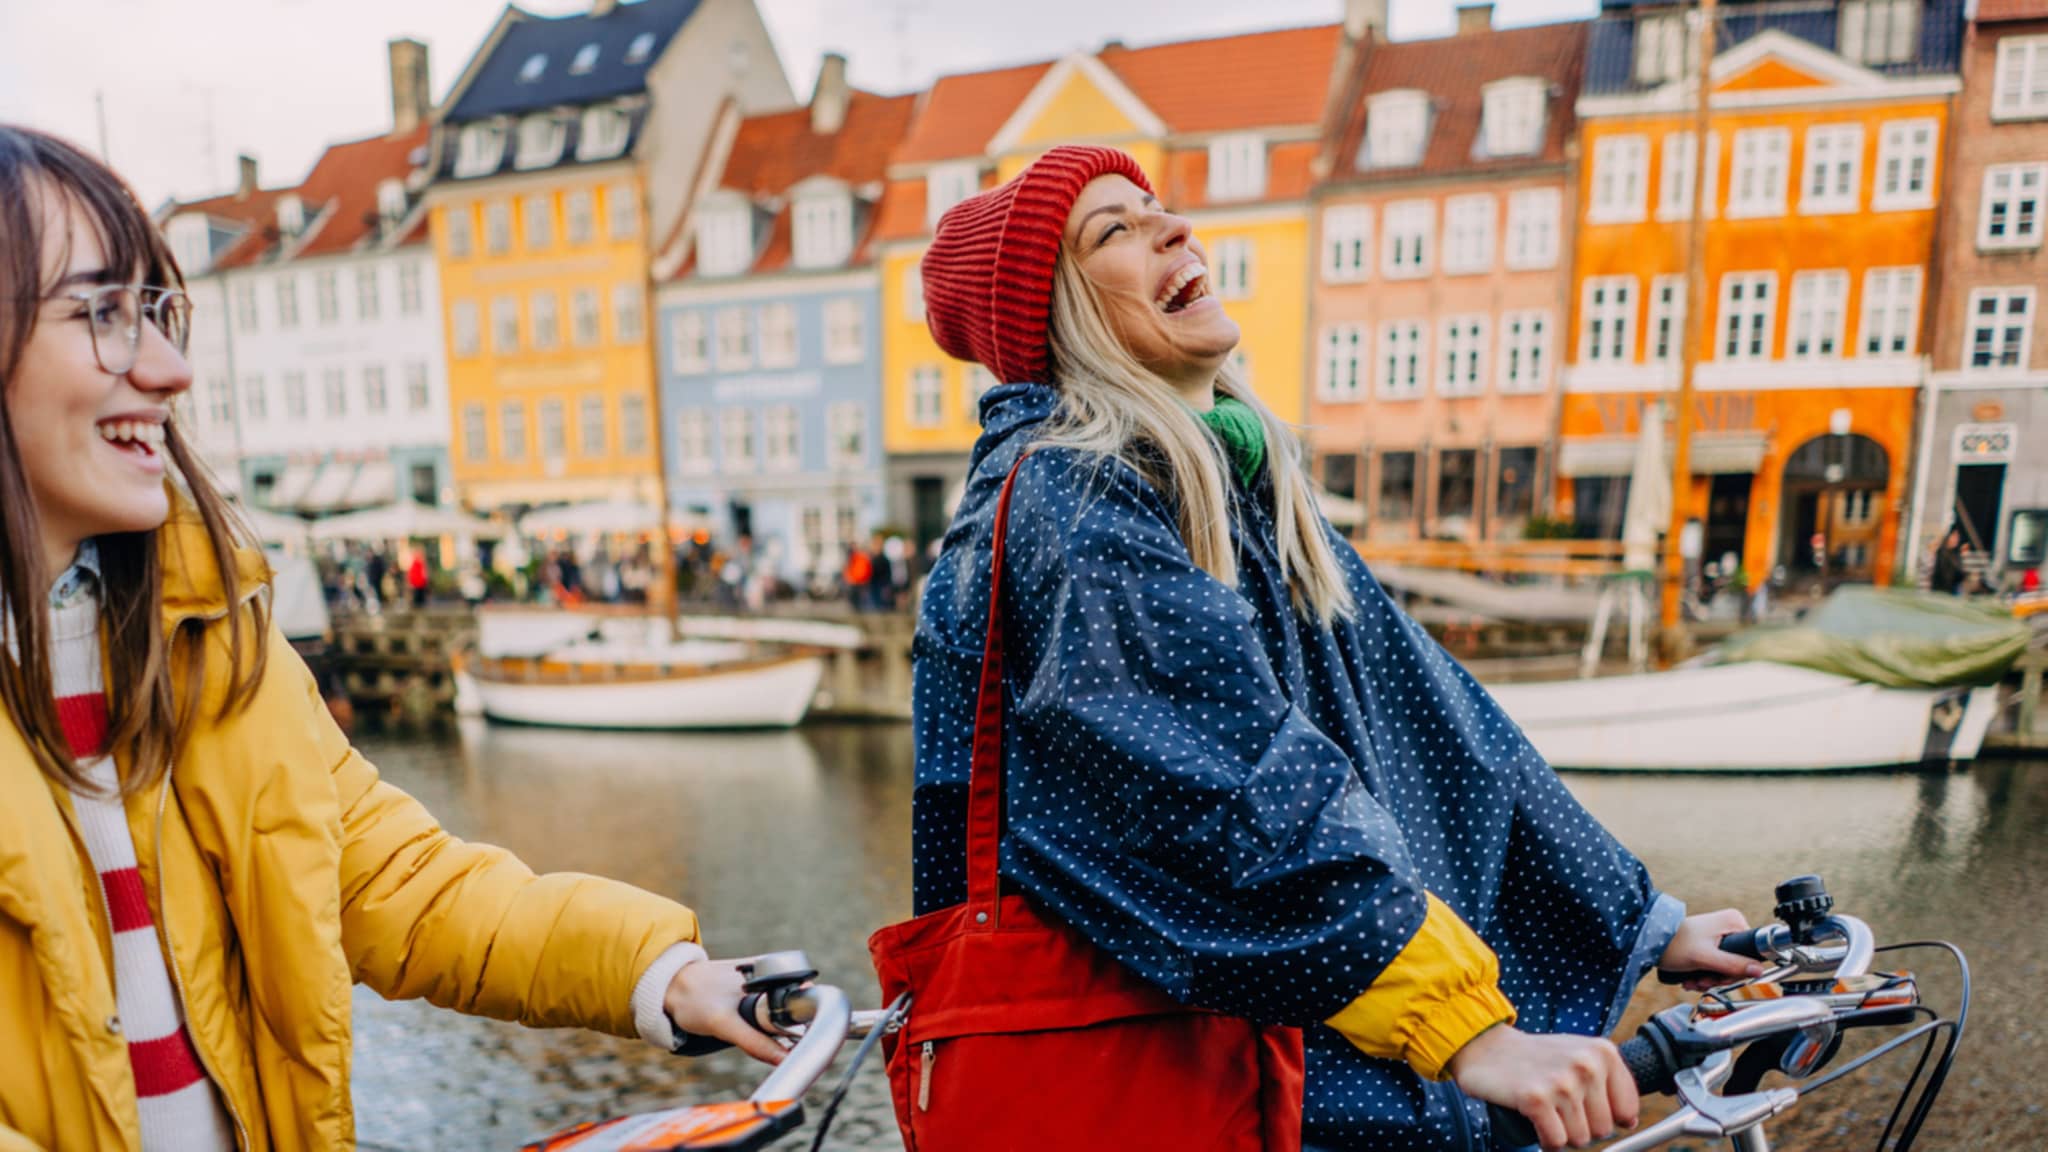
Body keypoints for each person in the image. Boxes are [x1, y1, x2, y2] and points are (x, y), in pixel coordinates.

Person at [909, 146, 1759, 1151]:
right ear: (1057, 320)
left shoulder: (1240, 482)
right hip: (1162, 1079)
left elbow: (1442, 726)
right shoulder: (1072, 496)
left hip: (1271, 1059)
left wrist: (1641, 925)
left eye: (1156, 209)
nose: (1173, 229)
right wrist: (1463, 1027)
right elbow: (1222, 783)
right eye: (1115, 231)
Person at [0, 125, 783, 1151]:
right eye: (102, 312)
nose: (168, 368)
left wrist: (661, 973)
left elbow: (401, 884)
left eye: (159, 311)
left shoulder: (210, 642)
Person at [1931, 524, 1968, 596]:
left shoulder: (1955, 554)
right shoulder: (1942, 552)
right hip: (1942, 589)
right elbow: (1942, 574)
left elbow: (1961, 573)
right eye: (1954, 536)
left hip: (1953, 589)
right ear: (1949, 536)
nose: (1956, 540)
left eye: (1958, 537)